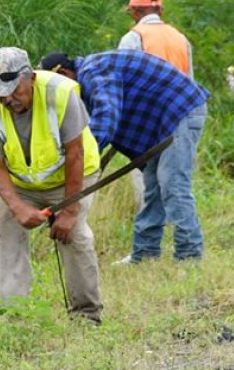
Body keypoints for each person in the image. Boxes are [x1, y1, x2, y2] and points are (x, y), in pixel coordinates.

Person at [40, 50, 209, 263]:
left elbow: (106, 118)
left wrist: (82, 158)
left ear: (65, 73)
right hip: (161, 121)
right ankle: (145, 254)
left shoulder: (95, 71)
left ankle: (189, 256)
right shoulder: (87, 79)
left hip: (181, 110)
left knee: (173, 184)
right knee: (153, 185)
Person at [0, 47, 104, 323]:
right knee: (4, 219)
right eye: (1, 93)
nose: (8, 99)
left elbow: (75, 154)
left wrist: (69, 211)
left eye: (14, 90)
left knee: (75, 234)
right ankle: (9, 314)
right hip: (23, 184)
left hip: (73, 176)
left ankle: (86, 314)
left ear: (31, 78)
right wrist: (18, 207)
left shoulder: (62, 94)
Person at [116, 0, 195, 214]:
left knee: (145, 177)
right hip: (179, 115)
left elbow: (123, 82)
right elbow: (190, 81)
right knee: (175, 175)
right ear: (160, 10)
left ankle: (150, 232)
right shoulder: (180, 38)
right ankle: (176, 224)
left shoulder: (133, 37)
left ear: (134, 12)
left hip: (146, 118)